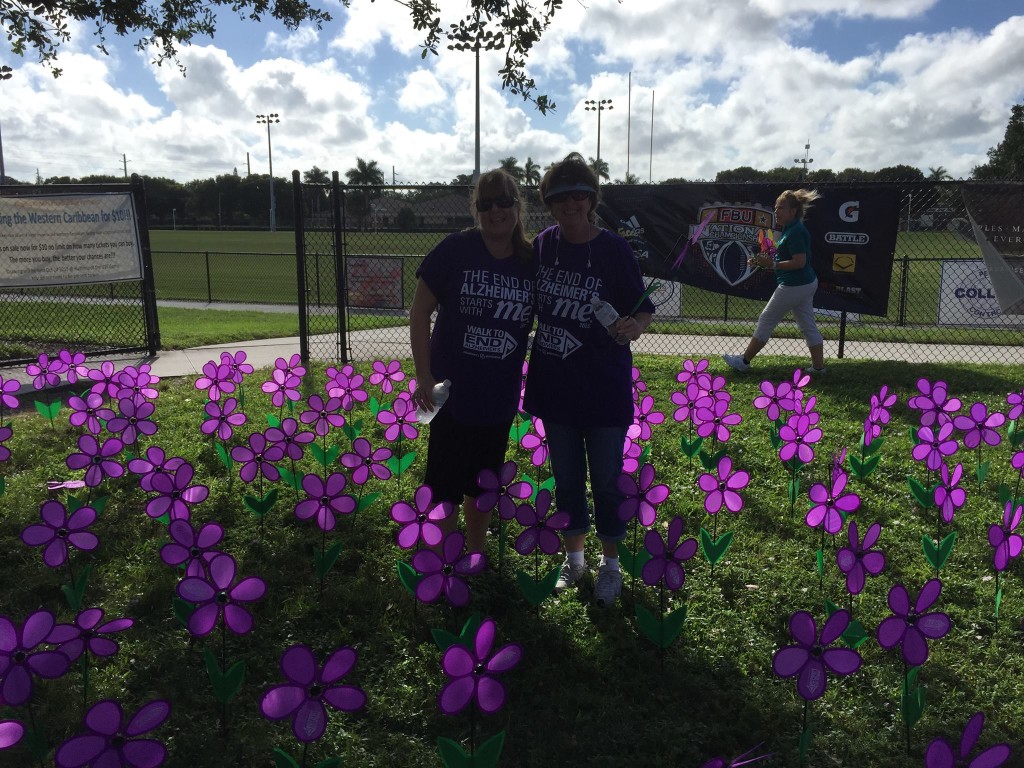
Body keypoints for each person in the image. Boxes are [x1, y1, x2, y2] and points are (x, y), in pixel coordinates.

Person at [523, 152, 655, 607]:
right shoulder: (542, 245)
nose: (571, 203)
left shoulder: (614, 249)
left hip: (603, 385)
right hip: (555, 384)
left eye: (580, 194)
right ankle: (575, 560)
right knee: (565, 478)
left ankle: (611, 566)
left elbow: (644, 307)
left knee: (605, 479)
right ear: (548, 202)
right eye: (560, 197)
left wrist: (634, 326)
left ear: (592, 199)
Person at [409, 169, 535, 553]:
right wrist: (424, 376)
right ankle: (443, 561)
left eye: (504, 202)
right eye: (486, 203)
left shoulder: (532, 261)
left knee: (483, 484)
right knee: (444, 485)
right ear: (476, 210)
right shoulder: (456, 249)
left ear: (518, 206)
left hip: (497, 396)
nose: (495, 210)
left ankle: (476, 555)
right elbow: (418, 312)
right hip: (451, 395)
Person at [723, 188, 826, 374]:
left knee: (766, 320)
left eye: (781, 208)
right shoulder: (790, 229)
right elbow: (784, 259)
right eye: (776, 207)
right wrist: (760, 261)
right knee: (807, 325)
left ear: (792, 211)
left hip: (794, 285)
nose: (776, 212)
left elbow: (799, 262)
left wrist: (772, 264)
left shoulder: (795, 232)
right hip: (804, 283)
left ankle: (743, 362)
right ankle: (818, 368)